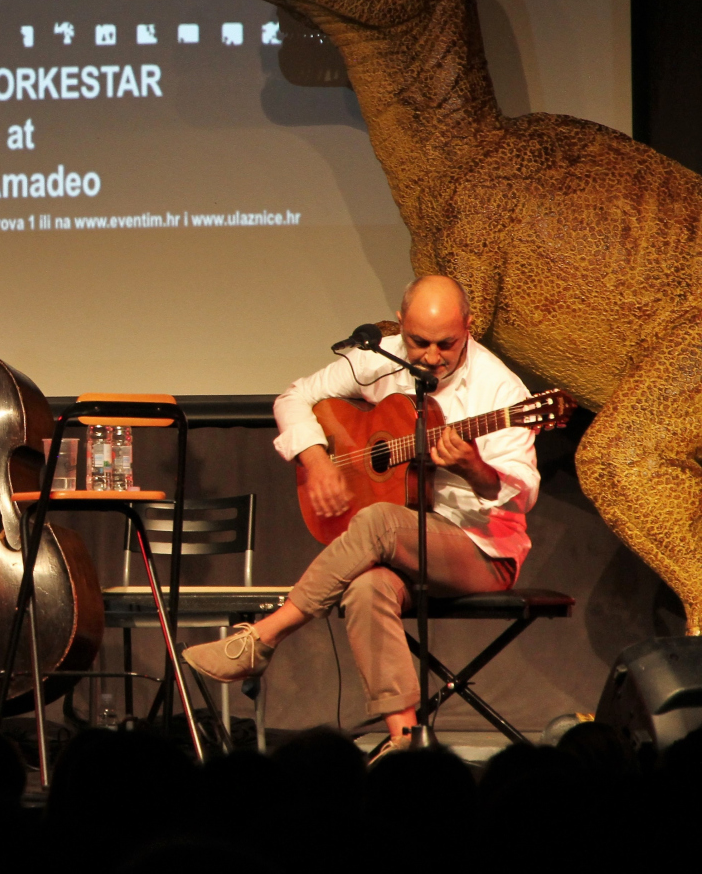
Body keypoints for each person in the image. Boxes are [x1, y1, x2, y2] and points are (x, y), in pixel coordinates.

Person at [182, 275, 538, 761]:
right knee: (365, 587)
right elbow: (294, 397)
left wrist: (472, 467)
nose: (432, 356)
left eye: (446, 344)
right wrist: (317, 461)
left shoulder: (501, 390)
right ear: (401, 324)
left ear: (469, 327)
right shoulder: (377, 358)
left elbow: (523, 492)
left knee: (378, 520)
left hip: (480, 548)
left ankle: (264, 637)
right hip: (405, 542)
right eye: (419, 341)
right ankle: (405, 743)